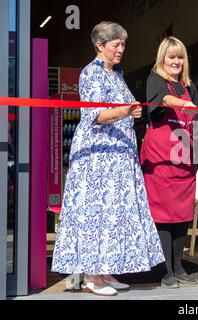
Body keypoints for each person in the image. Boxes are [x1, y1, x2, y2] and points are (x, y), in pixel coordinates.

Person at [51, 21, 165, 296]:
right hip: (99, 158)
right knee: (97, 212)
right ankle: (91, 274)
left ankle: (104, 271)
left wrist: (130, 111)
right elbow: (95, 115)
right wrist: (126, 111)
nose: (121, 49)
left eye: (123, 44)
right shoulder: (91, 73)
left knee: (113, 213)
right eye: (116, 45)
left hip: (118, 156)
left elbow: (120, 108)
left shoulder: (116, 74)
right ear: (99, 46)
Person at [140, 36, 198, 289]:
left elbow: (196, 124)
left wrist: (196, 158)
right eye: (171, 57)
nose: (176, 61)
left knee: (182, 216)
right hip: (160, 160)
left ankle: (179, 266)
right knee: (163, 216)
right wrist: (185, 104)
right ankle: (166, 271)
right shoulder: (155, 80)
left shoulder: (191, 87)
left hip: (184, 161)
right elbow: (164, 99)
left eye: (180, 57)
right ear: (163, 58)